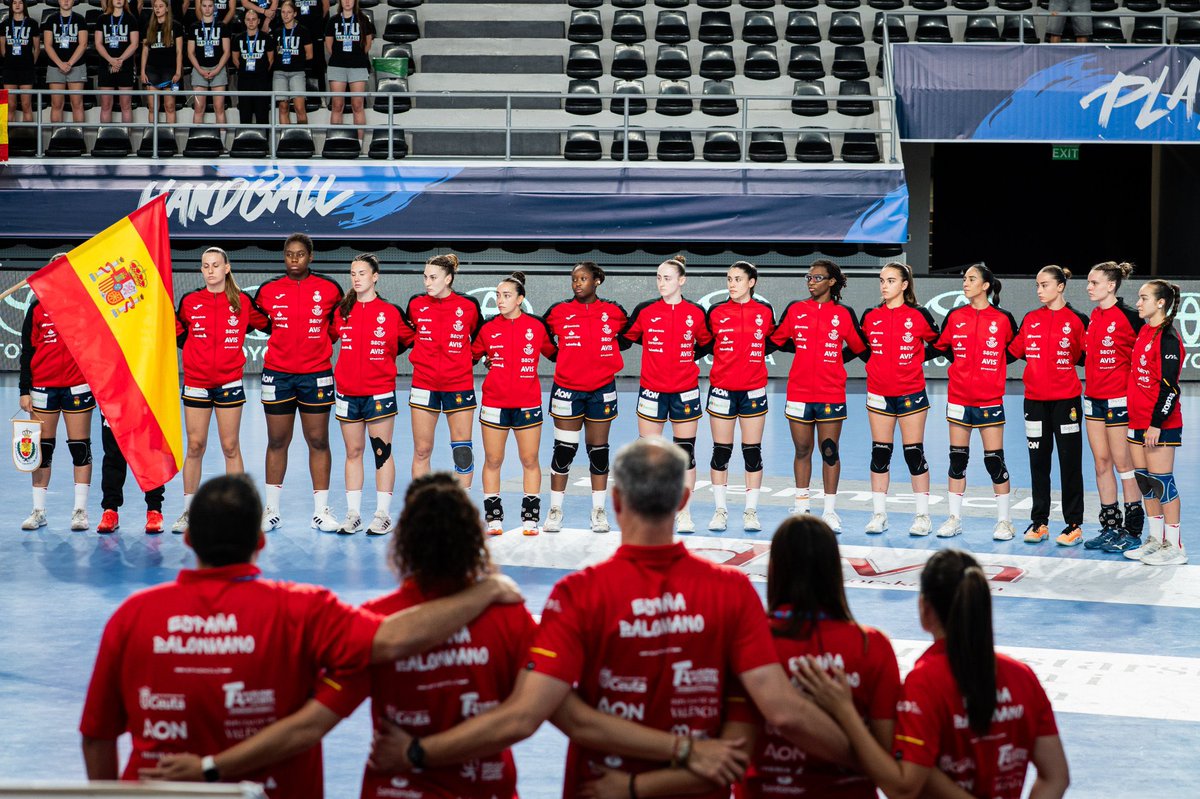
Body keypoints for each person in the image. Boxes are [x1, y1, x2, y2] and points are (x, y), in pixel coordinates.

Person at [134, 473, 751, 798]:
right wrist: (683, 755)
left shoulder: (376, 620)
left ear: (403, 543)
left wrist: (213, 767)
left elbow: (311, 725)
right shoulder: (510, 616)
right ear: (473, 541)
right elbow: (554, 716)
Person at [366, 438, 854, 796]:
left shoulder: (579, 595)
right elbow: (784, 712)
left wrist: (417, 753)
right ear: (684, 501)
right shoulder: (732, 592)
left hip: (600, 786)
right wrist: (882, 761)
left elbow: (529, 715)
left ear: (616, 500)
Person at [79, 473, 524, 797]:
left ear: (190, 539)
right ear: (261, 540)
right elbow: (388, 643)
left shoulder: (132, 616)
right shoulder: (306, 610)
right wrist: (485, 591)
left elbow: (97, 734)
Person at [794, 549, 1070, 799]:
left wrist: (845, 712)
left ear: (924, 608)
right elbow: (1056, 777)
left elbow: (903, 787)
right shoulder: (1022, 676)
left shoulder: (926, 682)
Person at [172, 247, 270, 534]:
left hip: (229, 382)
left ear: (227, 268)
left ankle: (238, 512)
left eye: (216, 265)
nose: (210, 270)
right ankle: (189, 512)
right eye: (205, 266)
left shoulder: (242, 302)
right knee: (194, 446)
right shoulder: (190, 301)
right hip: (196, 383)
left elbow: (270, 326)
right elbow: (180, 334)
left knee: (230, 446)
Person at [254, 232, 344, 532]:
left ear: (310, 257)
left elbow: (336, 326)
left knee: (318, 441)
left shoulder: (330, 288)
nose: (294, 259)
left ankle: (321, 512)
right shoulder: (268, 290)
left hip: (316, 374)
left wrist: (317, 344)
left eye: (300, 254)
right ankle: (270, 510)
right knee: (277, 441)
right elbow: (263, 324)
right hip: (277, 374)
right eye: (289, 254)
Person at [768, 259, 867, 532]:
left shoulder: (844, 313)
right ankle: (801, 508)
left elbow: (859, 347)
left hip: (830, 393)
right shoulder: (796, 309)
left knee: (829, 451)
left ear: (832, 282)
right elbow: (776, 341)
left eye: (817, 278)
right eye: (808, 278)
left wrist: (836, 360)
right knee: (802, 450)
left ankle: (830, 512)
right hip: (799, 392)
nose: (811, 282)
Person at [622, 255, 713, 533]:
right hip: (651, 391)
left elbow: (706, 342)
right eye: (659, 277)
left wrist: (686, 360)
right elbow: (628, 338)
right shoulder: (645, 310)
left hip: (685, 391)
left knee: (685, 454)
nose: (662, 283)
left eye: (668, 278)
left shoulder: (696, 312)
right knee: (648, 454)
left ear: (681, 280)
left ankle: (683, 512)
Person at [931, 264, 1019, 540]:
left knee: (994, 460)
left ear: (985, 286)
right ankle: (954, 518)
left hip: (990, 399)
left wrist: (992, 372)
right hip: (958, 398)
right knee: (957, 459)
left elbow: (1014, 351)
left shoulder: (1003, 319)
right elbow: (941, 346)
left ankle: (1005, 521)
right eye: (964, 279)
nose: (965, 283)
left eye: (971, 279)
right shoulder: (955, 316)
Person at [542, 261, 630, 533]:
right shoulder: (558, 311)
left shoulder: (614, 311)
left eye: (583, 279)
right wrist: (566, 358)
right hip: (567, 389)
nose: (577, 283)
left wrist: (603, 360)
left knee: (598, 452)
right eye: (574, 279)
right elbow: (544, 341)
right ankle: (555, 510)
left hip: (601, 390)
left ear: (597, 281)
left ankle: (599, 511)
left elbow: (625, 338)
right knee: (564, 451)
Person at [1008, 266, 1089, 546]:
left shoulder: (1078, 320)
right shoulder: (1030, 319)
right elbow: (1012, 352)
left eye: (1044, 285)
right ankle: (1039, 522)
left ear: (1061, 286)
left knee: (1069, 462)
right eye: (1037, 286)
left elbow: (1083, 356)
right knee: (1038, 463)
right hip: (1034, 402)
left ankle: (1073, 525)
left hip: (1066, 402)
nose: (1039, 290)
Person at [859, 263, 941, 536]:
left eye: (891, 280)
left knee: (913, 453)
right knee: (880, 453)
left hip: (911, 394)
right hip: (879, 393)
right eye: (882, 280)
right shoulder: (870, 315)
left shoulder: (919, 315)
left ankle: (922, 517)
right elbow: (863, 348)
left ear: (904, 285)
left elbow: (940, 343)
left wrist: (917, 359)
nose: (884, 285)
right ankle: (879, 515)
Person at [472, 272, 556, 536]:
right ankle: (493, 519)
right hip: (494, 404)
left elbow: (555, 354)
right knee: (493, 460)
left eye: (506, 296)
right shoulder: (487, 329)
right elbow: (472, 355)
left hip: (528, 403)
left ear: (520, 299)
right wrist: (486, 359)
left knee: (530, 459)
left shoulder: (536, 327)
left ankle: (530, 519)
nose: (500, 300)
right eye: (498, 295)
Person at [331, 253, 407, 536]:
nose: (357, 277)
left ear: (375, 276)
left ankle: (383, 514)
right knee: (353, 452)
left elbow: (406, 341)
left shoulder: (390, 312)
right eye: (353, 273)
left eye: (362, 273)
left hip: (379, 392)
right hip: (348, 392)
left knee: (381, 452)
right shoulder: (343, 311)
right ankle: (353, 514)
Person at [18, 260, 94, 533]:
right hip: (42, 388)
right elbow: (27, 352)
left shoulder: (87, 307)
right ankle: (39, 511)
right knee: (42, 451)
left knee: (80, 448)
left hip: (77, 387)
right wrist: (24, 390)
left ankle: (80, 512)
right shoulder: (37, 308)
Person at [397, 254, 483, 488]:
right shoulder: (416, 304)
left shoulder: (468, 305)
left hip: (459, 384)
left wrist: (467, 360)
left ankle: (460, 509)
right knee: (422, 450)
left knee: (462, 450)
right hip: (424, 385)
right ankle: (424, 508)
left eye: (433, 277)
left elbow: (479, 337)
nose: (427, 283)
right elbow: (408, 335)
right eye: (425, 277)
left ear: (448, 279)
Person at [704, 261, 775, 534]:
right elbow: (706, 341)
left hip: (754, 389)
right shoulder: (716, 311)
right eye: (729, 279)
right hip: (721, 389)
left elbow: (772, 338)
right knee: (721, 452)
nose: (731, 284)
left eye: (737, 279)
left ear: (752, 282)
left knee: (752, 452)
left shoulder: (764, 311)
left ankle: (750, 511)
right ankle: (720, 510)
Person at [1081, 261, 1145, 553]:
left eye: (1094, 283)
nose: (1089, 287)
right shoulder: (1095, 315)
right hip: (1093, 398)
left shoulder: (1131, 317)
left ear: (1111, 285)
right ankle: (1110, 526)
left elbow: (1149, 352)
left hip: (1119, 400)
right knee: (1101, 463)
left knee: (1124, 465)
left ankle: (1132, 529)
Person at [1123, 280, 1187, 566]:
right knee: (1144, 482)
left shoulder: (1168, 337)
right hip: (1136, 421)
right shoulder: (1144, 332)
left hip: (1159, 424)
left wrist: (1156, 424)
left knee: (1162, 483)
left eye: (1144, 298)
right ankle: (1155, 539)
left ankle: (1174, 546)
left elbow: (1170, 388)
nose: (1138, 303)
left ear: (1160, 303)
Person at [324, 0, 373, 139]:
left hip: (357, 66)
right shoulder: (333, 20)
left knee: (357, 105)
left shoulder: (363, 20)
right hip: (337, 66)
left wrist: (357, 56)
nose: (347, 1)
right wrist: (340, 57)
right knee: (337, 105)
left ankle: (359, 142)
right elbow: (329, 44)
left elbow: (368, 42)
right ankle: (336, 141)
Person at [186, 0, 230, 132]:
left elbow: (226, 52)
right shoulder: (194, 26)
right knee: (199, 108)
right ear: (200, 7)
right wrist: (199, 70)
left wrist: (216, 70)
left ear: (214, 7)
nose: (207, 9)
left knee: (219, 108)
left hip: (218, 68)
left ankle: (222, 144)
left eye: (210, 6)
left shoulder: (222, 26)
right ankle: (196, 141)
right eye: (204, 6)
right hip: (200, 70)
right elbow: (190, 52)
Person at [94, 0, 139, 125]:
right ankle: (105, 139)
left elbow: (134, 44)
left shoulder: (131, 19)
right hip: (106, 65)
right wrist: (111, 60)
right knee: (106, 104)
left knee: (126, 105)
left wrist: (119, 61)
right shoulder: (102, 19)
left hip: (126, 66)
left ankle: (126, 138)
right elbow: (98, 43)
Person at [43, 0, 87, 125]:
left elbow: (83, 44)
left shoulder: (80, 19)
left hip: (76, 66)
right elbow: (47, 45)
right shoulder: (51, 20)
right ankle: (56, 138)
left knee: (77, 103)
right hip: (55, 66)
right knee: (56, 104)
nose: (66, 1)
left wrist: (69, 63)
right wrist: (60, 64)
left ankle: (79, 138)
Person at [141, 0, 184, 125]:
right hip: (152, 69)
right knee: (153, 107)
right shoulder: (148, 26)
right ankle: (152, 139)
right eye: (155, 6)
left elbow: (179, 51)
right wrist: (142, 71)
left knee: (169, 106)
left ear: (166, 8)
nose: (157, 9)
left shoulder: (176, 26)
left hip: (169, 70)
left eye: (161, 6)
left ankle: (170, 138)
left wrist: (178, 72)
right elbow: (145, 50)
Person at [232, 7, 273, 132]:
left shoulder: (266, 38)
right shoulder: (238, 38)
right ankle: (246, 146)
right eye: (248, 19)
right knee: (245, 114)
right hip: (244, 80)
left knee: (262, 114)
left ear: (258, 21)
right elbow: (235, 59)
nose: (251, 22)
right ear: (244, 21)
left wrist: (260, 71)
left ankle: (264, 145)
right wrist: (244, 70)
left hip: (261, 80)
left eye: (253, 19)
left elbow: (270, 60)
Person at [272, 0, 312, 126]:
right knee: (283, 107)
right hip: (279, 73)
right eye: (283, 12)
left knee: (299, 107)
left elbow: (309, 54)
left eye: (289, 12)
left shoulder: (303, 31)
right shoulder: (277, 31)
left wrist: (296, 60)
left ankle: (303, 139)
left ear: (295, 13)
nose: (285, 15)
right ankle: (286, 139)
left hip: (297, 72)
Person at [1, 0, 41, 126]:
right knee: (8, 105)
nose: (17, 5)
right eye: (14, 3)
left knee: (26, 104)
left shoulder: (32, 23)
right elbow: (2, 49)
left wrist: (29, 62)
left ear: (24, 5)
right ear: (11, 6)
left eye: (20, 2)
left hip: (26, 69)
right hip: (9, 69)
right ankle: (4, 143)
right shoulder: (4, 24)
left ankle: (28, 141)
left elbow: (37, 48)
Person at [292, 0, 327, 95]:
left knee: (318, 63)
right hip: (298, 30)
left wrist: (317, 21)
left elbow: (326, 6)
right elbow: (290, 6)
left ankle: (321, 95)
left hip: (315, 31)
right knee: (298, 60)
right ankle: (298, 94)